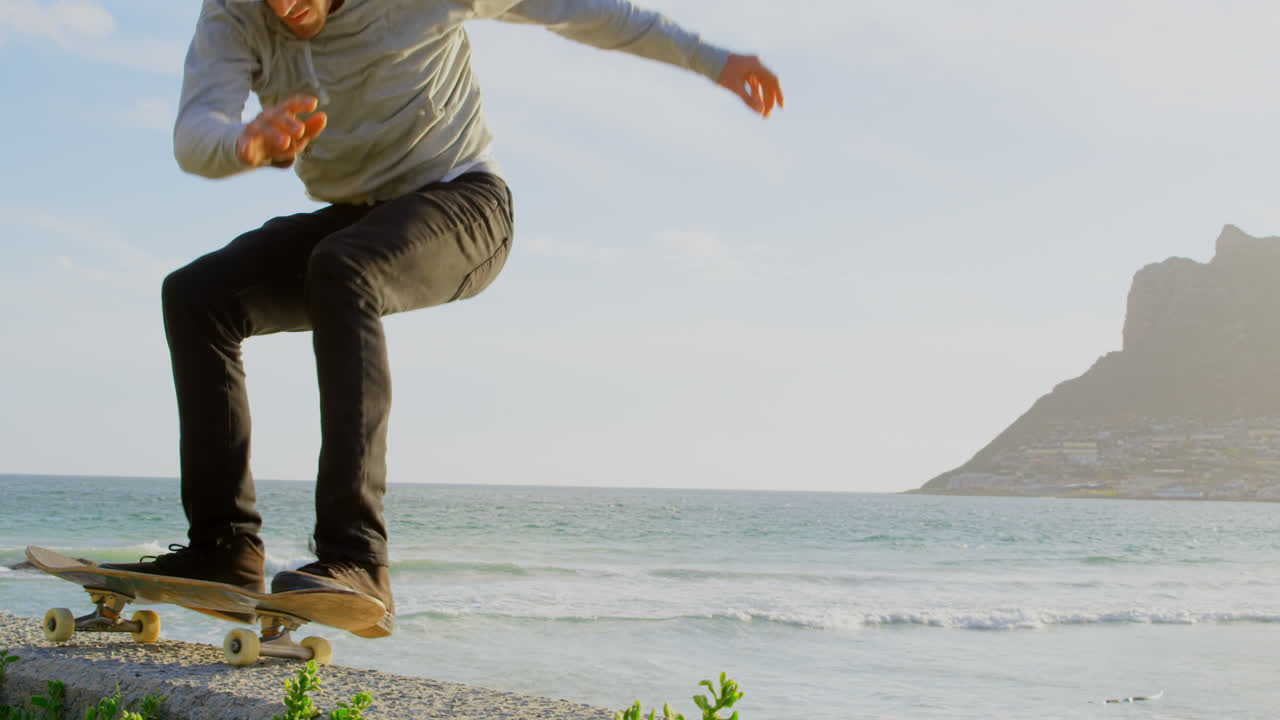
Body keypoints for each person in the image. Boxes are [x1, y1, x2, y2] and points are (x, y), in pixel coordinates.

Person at [108, 0, 783, 639]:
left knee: (344, 269)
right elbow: (196, 130)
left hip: (466, 204)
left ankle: (358, 558)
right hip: (358, 218)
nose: (286, 10)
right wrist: (243, 142)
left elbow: (581, 12)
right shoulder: (234, 14)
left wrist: (715, 61)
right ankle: (224, 548)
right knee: (196, 297)